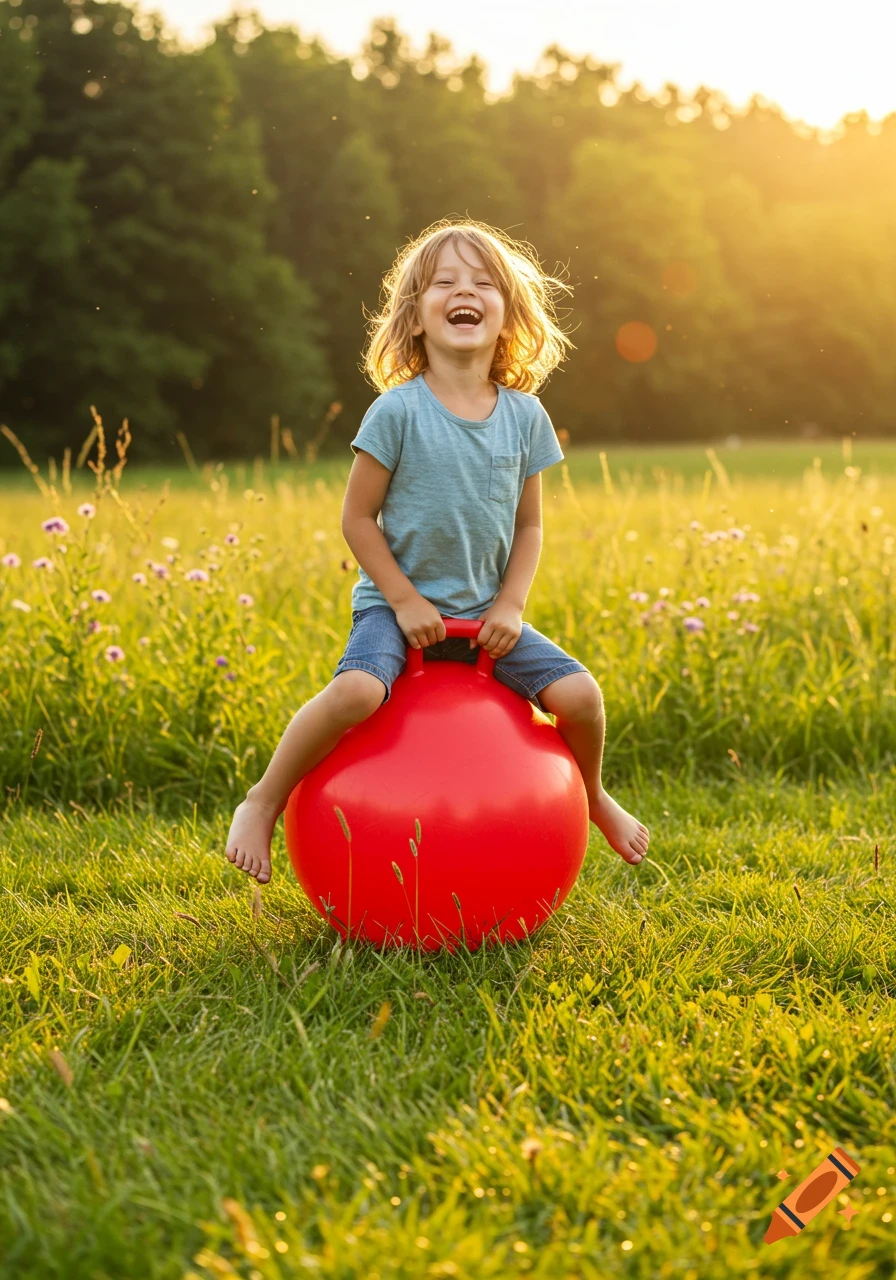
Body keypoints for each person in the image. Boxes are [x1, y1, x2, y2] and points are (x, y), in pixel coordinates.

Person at [226, 218, 649, 884]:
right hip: (396, 612)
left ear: (506, 315)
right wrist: (403, 600)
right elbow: (357, 517)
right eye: (445, 282)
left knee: (583, 696)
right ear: (416, 317)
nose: (465, 291)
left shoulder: (525, 416)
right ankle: (264, 799)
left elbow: (531, 526)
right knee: (358, 692)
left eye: (483, 283)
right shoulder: (397, 412)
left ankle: (593, 798)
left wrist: (511, 605)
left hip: (486, 615)